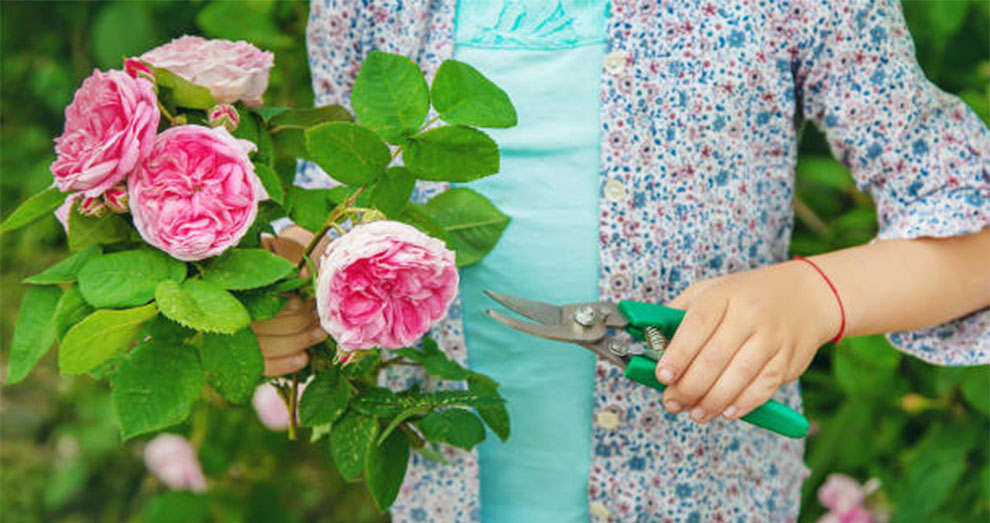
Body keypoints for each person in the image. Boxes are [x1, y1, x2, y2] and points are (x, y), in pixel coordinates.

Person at [253, 0, 990, 521]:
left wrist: (817, 295)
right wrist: (278, 293)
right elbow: (338, 203)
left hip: (706, 498)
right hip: (444, 498)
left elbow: (970, 220)